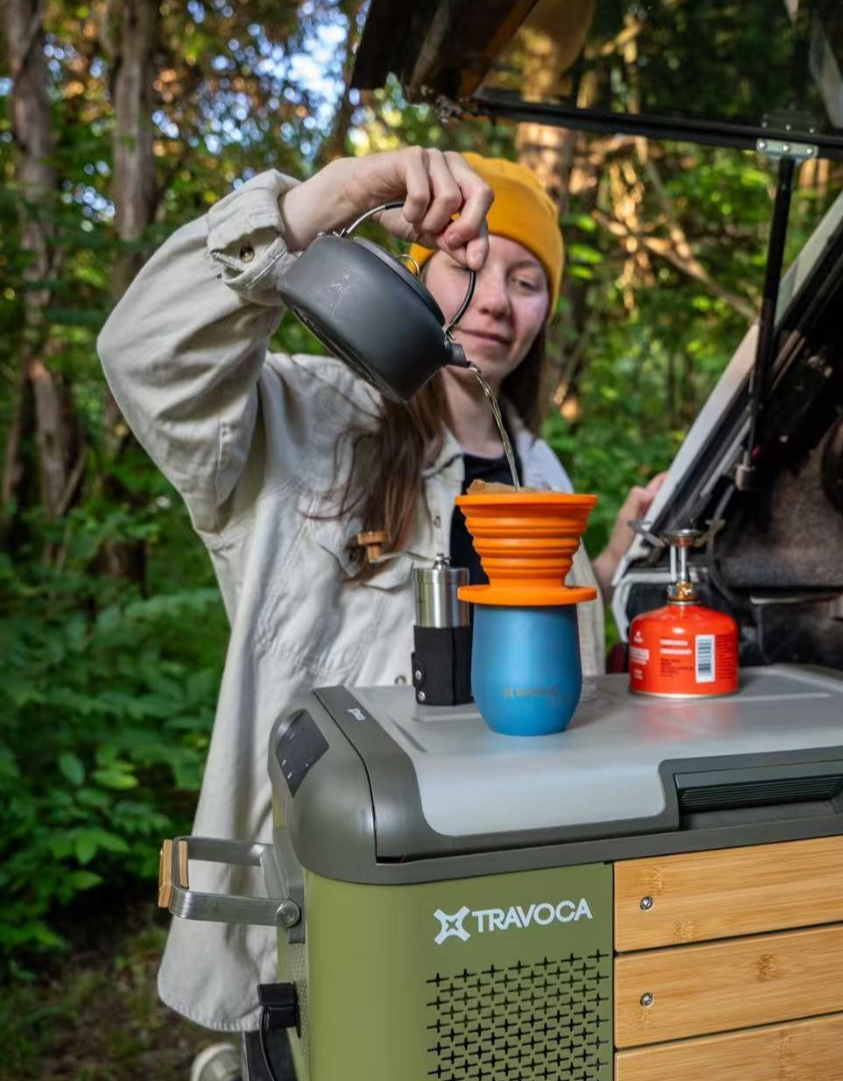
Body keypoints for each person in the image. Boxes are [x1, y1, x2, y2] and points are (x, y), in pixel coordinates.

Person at [97, 147, 663, 1077]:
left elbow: (534, 647)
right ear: (415, 269)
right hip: (332, 897)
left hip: (510, 883)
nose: (494, 299)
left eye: (527, 280)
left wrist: (608, 562)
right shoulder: (308, 418)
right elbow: (141, 357)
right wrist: (334, 199)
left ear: (548, 312)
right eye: (469, 263)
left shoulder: (542, 474)